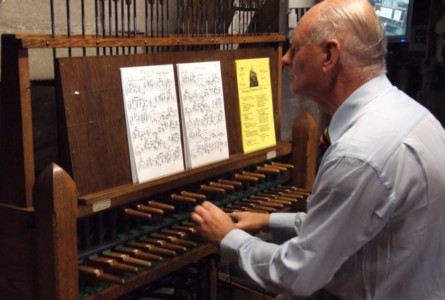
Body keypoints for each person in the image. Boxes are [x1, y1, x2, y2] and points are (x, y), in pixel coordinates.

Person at [191, 0, 445, 299]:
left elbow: (296, 275)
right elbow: (349, 222)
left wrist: (228, 237)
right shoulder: (413, 114)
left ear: (329, 55)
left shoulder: (357, 155)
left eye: (295, 49)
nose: (285, 59)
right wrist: (269, 221)